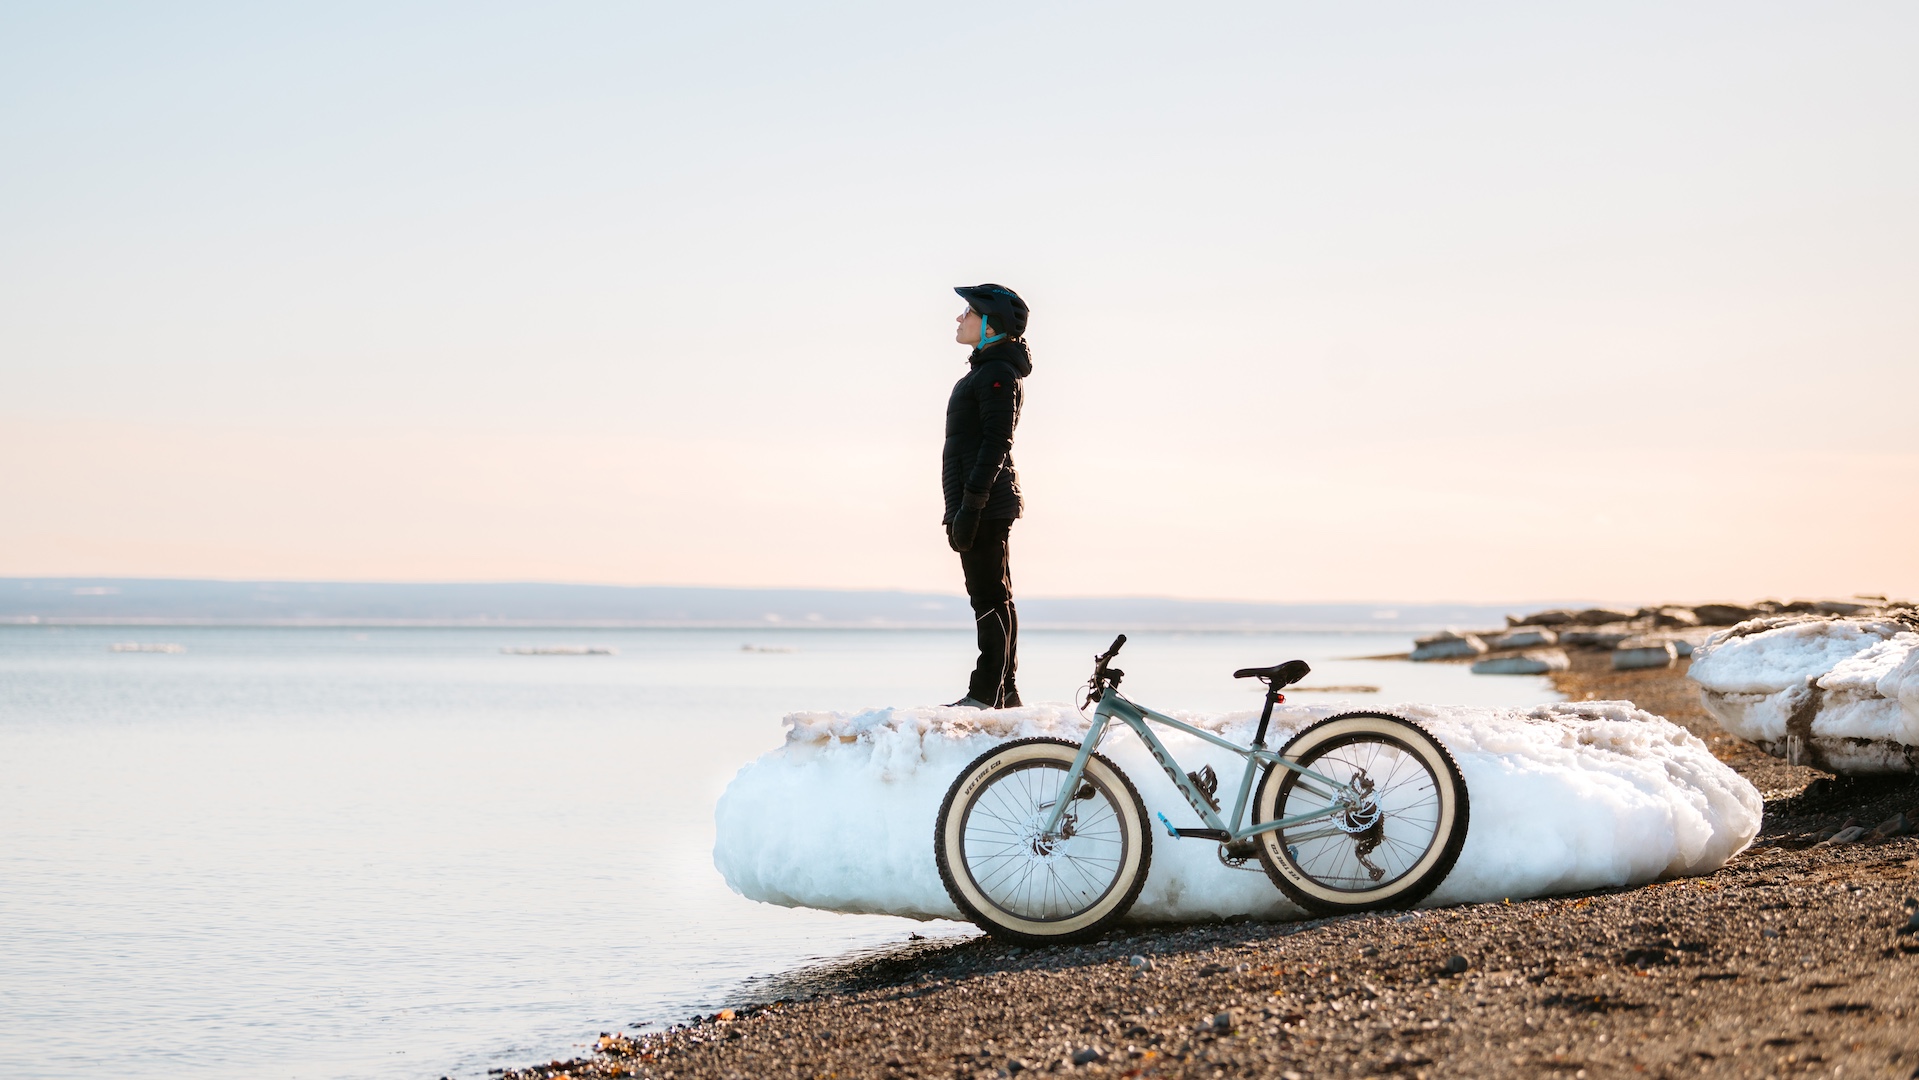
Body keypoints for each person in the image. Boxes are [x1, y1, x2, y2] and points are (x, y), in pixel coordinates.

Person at [944, 283, 1032, 709]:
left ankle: (989, 691)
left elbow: (997, 443)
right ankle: (1003, 690)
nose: (960, 319)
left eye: (968, 313)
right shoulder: (984, 371)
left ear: (990, 325)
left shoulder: (997, 373)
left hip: (985, 503)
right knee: (989, 595)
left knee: (990, 596)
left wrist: (971, 506)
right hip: (974, 501)